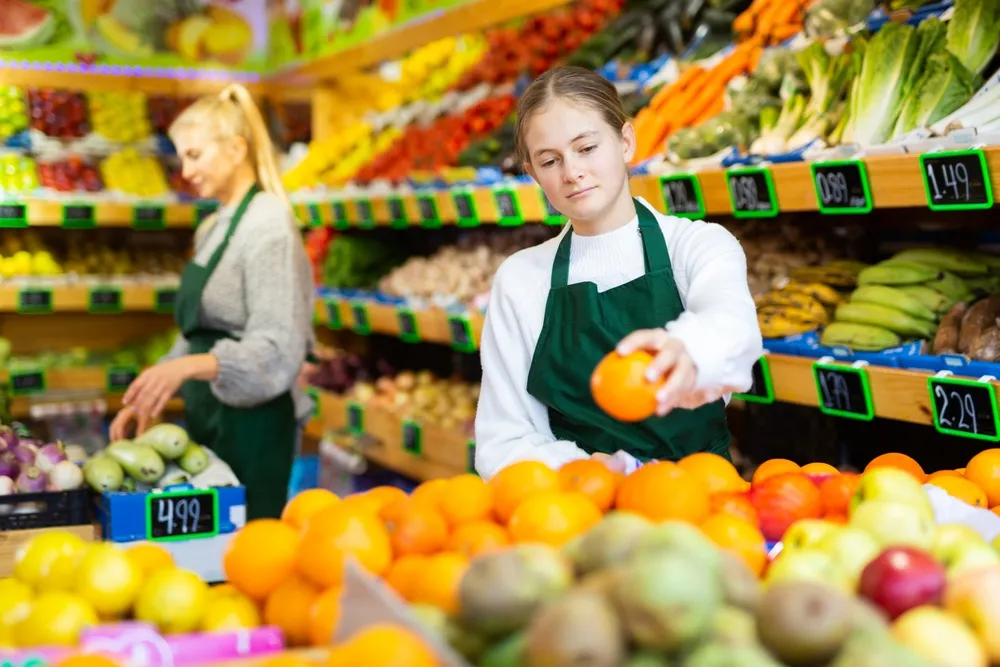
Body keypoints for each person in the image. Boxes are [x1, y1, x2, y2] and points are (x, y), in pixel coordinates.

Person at [474, 66, 762, 479]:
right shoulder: (520, 279)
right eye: (550, 160)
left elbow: (732, 328)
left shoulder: (697, 245)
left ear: (626, 142)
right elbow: (503, 438)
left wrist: (688, 350)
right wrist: (592, 471)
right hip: (580, 506)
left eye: (587, 148)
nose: (571, 171)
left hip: (701, 498)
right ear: (534, 174)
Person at [110, 84, 315, 519]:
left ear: (237, 149)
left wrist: (185, 368)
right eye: (181, 157)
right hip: (211, 415)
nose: (185, 172)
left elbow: (278, 350)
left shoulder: (269, 225)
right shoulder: (214, 227)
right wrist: (151, 389)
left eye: (195, 155)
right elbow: (199, 331)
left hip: (255, 424)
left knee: (250, 549)